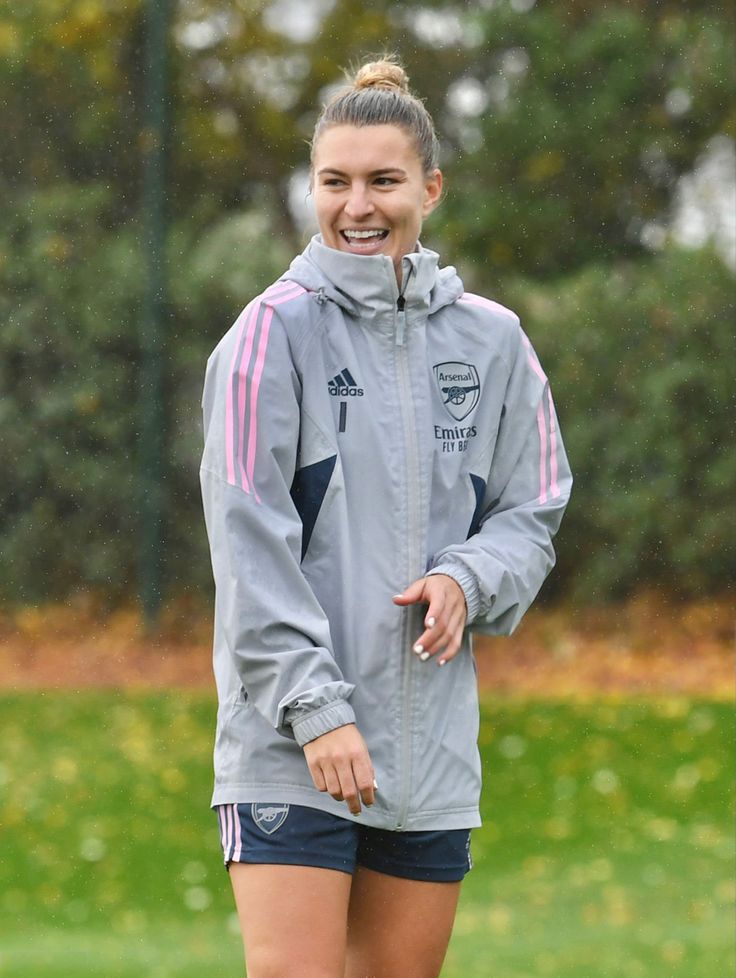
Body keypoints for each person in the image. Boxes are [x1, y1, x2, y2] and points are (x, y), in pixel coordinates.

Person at [200, 56, 572, 978]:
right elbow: (248, 544)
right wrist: (317, 711)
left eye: (383, 181)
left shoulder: (495, 340)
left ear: (430, 188)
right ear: (312, 189)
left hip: (427, 760)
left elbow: (534, 512)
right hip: (293, 744)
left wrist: (464, 578)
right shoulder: (270, 333)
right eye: (335, 181)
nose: (356, 206)